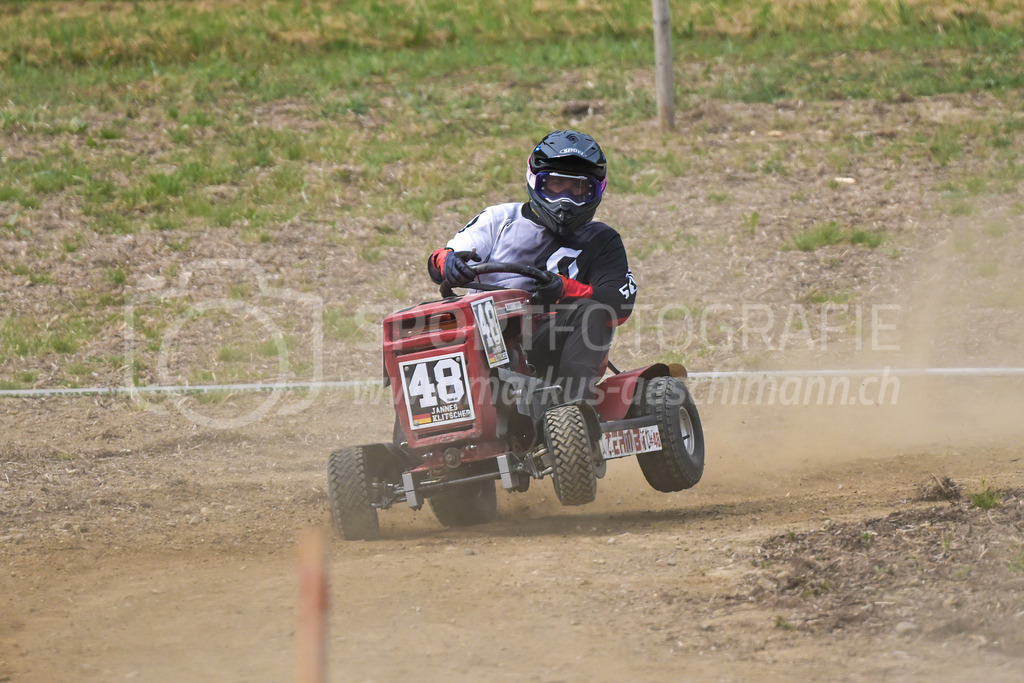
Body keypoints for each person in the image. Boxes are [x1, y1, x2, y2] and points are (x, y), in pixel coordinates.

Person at [427, 130, 637, 402]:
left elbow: (618, 303)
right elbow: (439, 258)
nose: (564, 199)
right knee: (427, 327)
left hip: (548, 342)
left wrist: (564, 289)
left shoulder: (602, 240)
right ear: (535, 181)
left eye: (578, 189)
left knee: (590, 311)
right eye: (556, 185)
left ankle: (574, 411)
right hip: (484, 329)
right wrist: (448, 263)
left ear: (596, 191)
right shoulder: (500, 219)